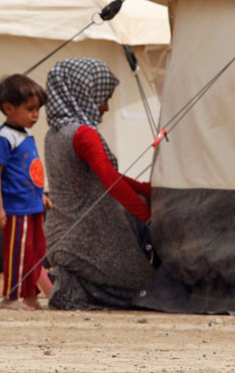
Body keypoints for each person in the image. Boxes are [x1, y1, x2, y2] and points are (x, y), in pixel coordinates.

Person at [43, 58, 154, 310]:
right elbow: (109, 179)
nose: (105, 107)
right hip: (89, 238)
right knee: (144, 287)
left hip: (61, 236)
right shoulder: (84, 134)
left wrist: (145, 190)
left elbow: (104, 175)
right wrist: (145, 213)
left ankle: (72, 286)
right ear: (85, 92)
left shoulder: (55, 134)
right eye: (103, 97)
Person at [0, 74, 54, 310]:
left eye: (38, 109)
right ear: (9, 108)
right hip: (17, 208)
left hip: (33, 204)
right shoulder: (4, 137)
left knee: (36, 252)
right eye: (30, 109)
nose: (36, 115)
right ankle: (12, 296)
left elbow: (28, 170)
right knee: (19, 253)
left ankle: (30, 295)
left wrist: (41, 195)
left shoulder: (26, 134)